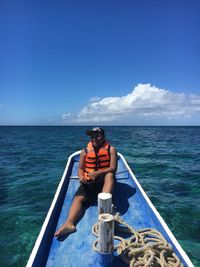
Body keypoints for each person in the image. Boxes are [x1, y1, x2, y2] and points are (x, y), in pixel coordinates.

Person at [54, 127, 117, 237]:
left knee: (110, 175)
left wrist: (98, 172)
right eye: (92, 136)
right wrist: (80, 176)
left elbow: (113, 168)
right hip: (90, 181)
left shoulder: (111, 149)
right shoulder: (85, 151)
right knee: (78, 198)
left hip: (104, 180)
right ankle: (69, 224)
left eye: (98, 135)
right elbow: (80, 168)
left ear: (103, 137)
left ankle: (104, 209)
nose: (95, 138)